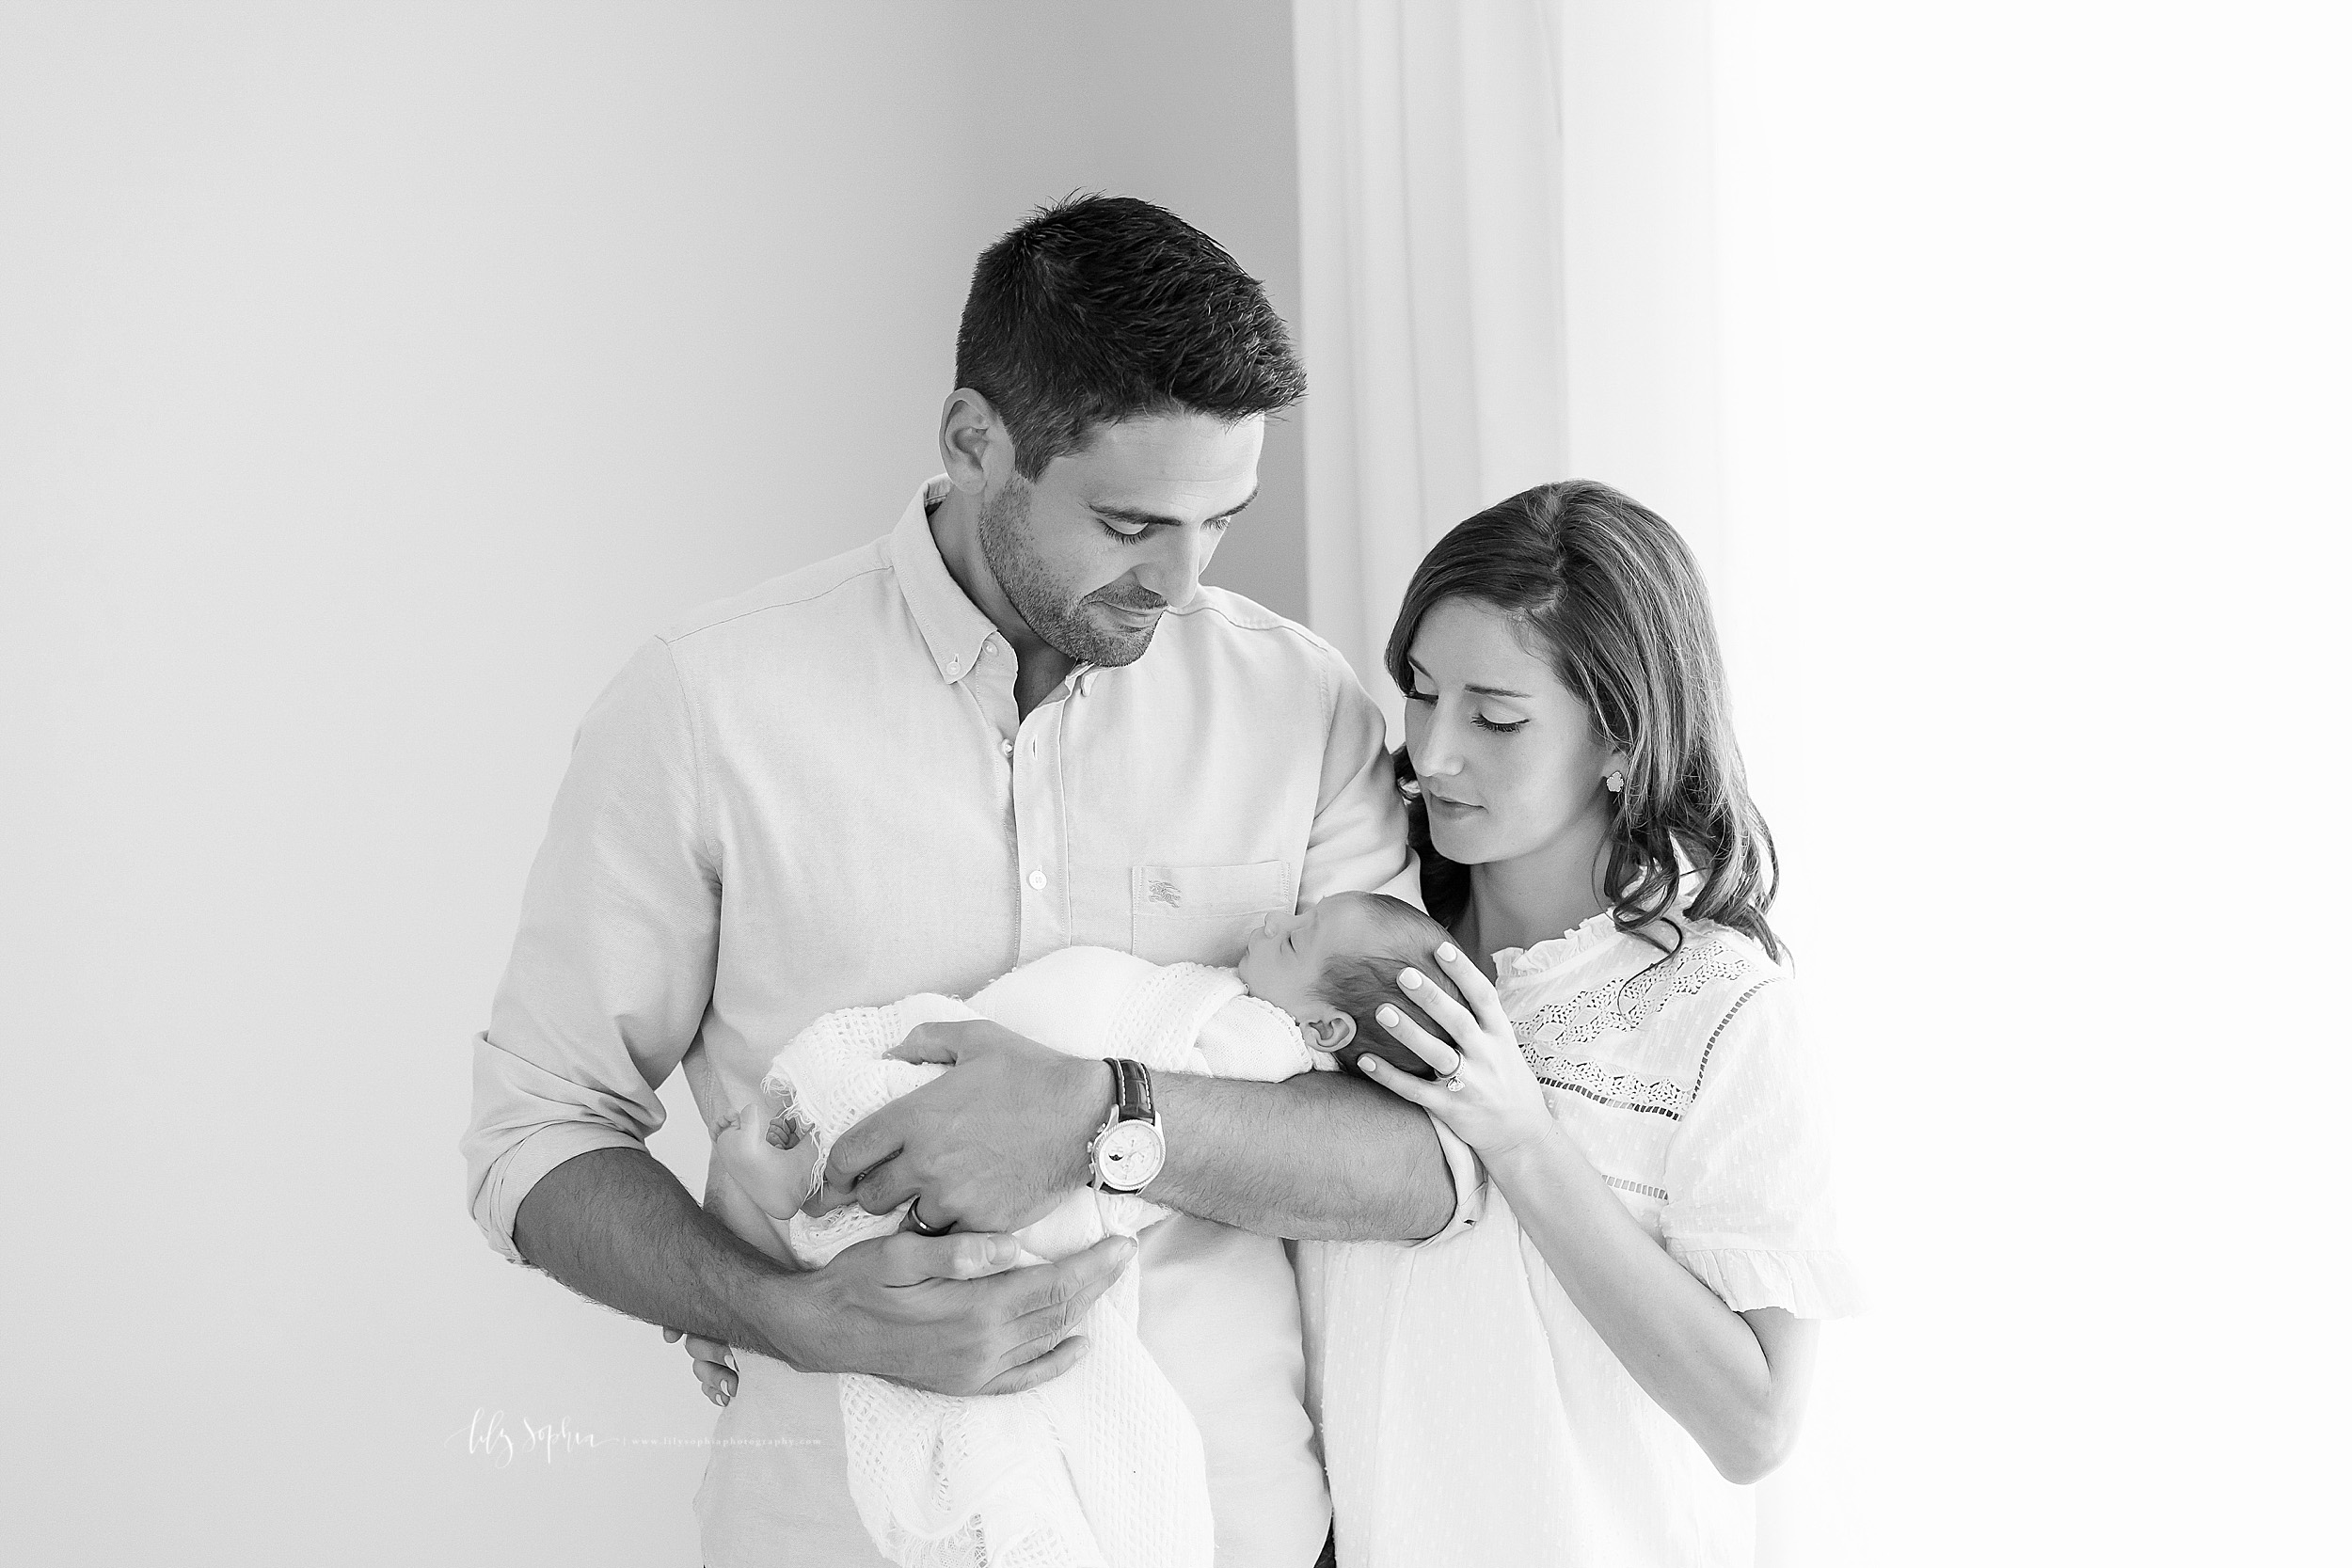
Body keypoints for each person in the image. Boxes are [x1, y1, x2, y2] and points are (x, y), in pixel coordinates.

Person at [459, 195, 1475, 1568]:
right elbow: (535, 1132)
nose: (1182, 587)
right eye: (1131, 524)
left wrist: (1101, 1117)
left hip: (1230, 1526)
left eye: (1220, 522)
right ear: (972, 440)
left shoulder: (1300, 707)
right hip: (840, 1528)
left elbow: (1427, 1158)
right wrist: (782, 1308)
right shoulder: (707, 709)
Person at [1309, 480, 1864, 1566]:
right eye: (1420, 693)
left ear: (1620, 737)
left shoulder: (1720, 1010)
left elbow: (1754, 1425)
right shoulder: (1357, 942)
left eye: (1495, 716)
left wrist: (1520, 1136)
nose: (1432, 752)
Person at [694, 893, 1467, 1568]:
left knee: (956, 1194)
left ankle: (813, 1175)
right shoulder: (1234, 997)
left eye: (1296, 938)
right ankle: (810, 1169)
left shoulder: (1263, 1039)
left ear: (1327, 1026)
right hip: (806, 1503)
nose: (1273, 920)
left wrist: (1081, 1115)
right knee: (935, 1144)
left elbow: (1417, 1170)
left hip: (1087, 1218)